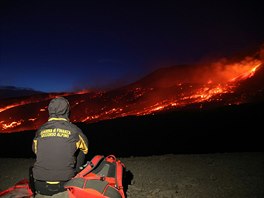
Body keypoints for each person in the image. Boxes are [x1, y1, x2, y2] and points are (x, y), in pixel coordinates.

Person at [31, 96, 88, 196]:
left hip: (40, 185)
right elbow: (86, 149)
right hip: (65, 184)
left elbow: (35, 150)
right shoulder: (74, 130)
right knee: (81, 149)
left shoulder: (40, 130)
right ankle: (76, 175)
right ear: (67, 111)